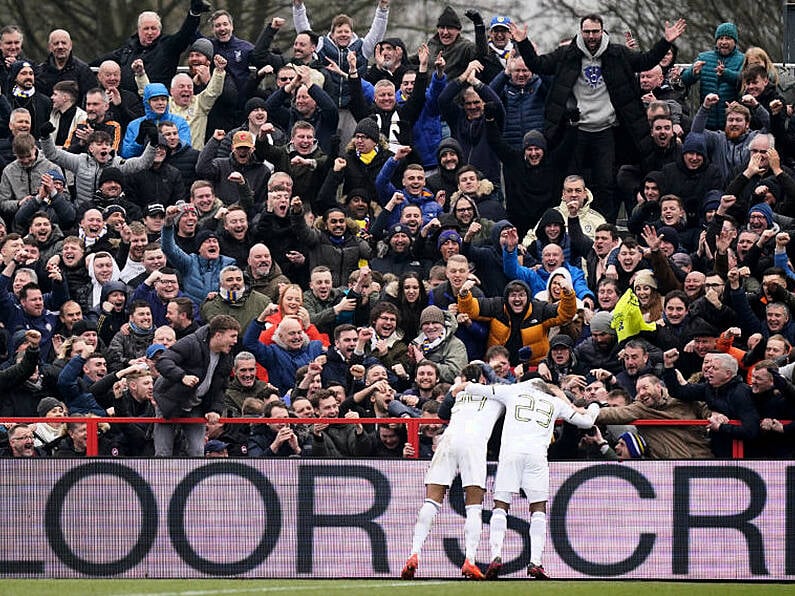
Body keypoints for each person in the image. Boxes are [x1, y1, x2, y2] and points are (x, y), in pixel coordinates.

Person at [510, 16, 687, 221]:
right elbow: (539, 64)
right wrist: (522, 43)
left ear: (602, 31)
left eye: (595, 31)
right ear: (581, 32)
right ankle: (572, 220)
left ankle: (603, 226)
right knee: (573, 181)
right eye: (587, 32)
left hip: (605, 129)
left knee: (605, 182)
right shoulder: (567, 54)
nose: (591, 36)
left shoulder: (617, 53)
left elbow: (645, 60)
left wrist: (666, 41)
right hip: (577, 129)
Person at [467, 378, 601, 579]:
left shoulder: (513, 391)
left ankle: (496, 555)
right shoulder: (555, 402)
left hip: (511, 454)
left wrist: (462, 385)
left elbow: (478, 389)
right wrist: (594, 406)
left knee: (500, 505)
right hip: (537, 456)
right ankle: (535, 562)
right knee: (538, 509)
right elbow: (587, 421)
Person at [402, 363, 505, 580]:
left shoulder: (457, 392)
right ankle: (470, 560)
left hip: (449, 440)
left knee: (431, 500)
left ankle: (414, 553)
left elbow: (441, 412)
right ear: (485, 379)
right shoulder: (498, 394)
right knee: (474, 506)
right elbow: (507, 385)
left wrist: (456, 388)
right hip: (474, 443)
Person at [153, 314, 240, 457]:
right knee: (163, 453)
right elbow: (163, 361)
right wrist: (182, 377)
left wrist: (215, 410)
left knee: (197, 452)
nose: (235, 341)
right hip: (169, 401)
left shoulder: (226, 356)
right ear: (218, 335)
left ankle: (194, 479)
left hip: (196, 405)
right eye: (232, 336)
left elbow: (221, 388)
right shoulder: (191, 343)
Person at [680, 23, 744, 130]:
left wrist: (725, 74)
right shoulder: (704, 57)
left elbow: (743, 81)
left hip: (732, 120)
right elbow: (685, 80)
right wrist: (693, 72)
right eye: (720, 39)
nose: (723, 42)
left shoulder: (742, 59)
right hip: (707, 120)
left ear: (735, 41)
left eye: (727, 38)